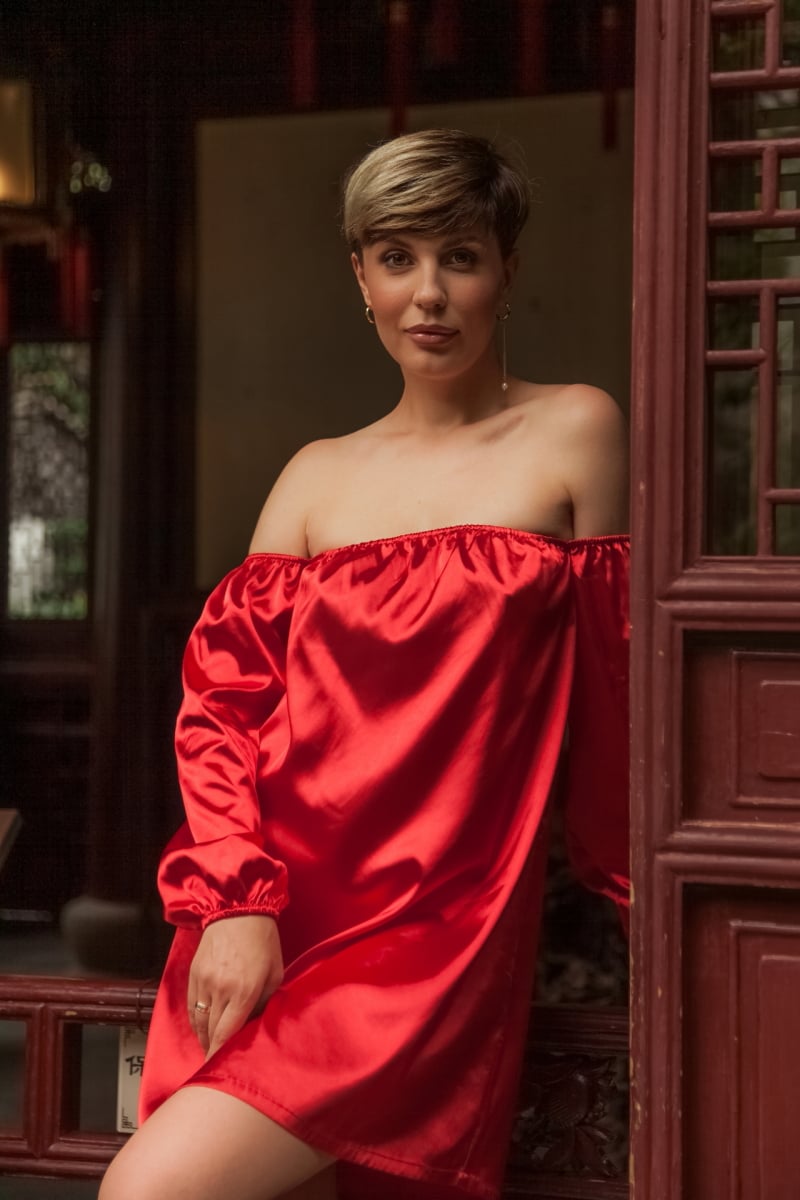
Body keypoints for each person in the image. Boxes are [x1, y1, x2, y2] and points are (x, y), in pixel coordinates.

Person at [99, 127, 630, 1200]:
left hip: (435, 930)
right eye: (396, 259)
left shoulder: (576, 432)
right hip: (273, 909)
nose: (428, 295)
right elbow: (220, 713)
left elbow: (621, 695)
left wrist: (643, 905)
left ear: (505, 268)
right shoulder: (310, 479)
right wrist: (236, 904)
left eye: (459, 257)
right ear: (360, 277)